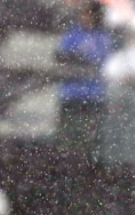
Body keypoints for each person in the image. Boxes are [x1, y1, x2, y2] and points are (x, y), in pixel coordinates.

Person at [55, 1, 113, 161]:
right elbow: (61, 55)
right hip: (71, 95)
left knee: (90, 142)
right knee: (67, 140)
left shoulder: (102, 38)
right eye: (83, 14)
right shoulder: (73, 34)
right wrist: (77, 59)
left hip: (93, 96)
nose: (85, 17)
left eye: (88, 14)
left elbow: (101, 62)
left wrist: (80, 59)